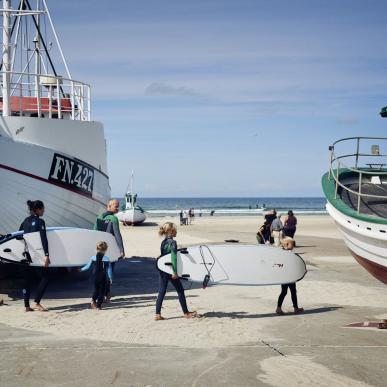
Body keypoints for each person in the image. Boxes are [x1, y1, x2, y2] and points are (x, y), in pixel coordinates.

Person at [155, 222, 198, 321]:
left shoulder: (163, 242)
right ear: (171, 231)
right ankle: (186, 313)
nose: (177, 231)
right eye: (175, 230)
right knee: (180, 290)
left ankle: (157, 314)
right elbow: (173, 258)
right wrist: (175, 272)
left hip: (162, 269)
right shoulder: (173, 242)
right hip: (170, 270)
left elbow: (163, 256)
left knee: (161, 291)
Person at [19, 200, 50, 312]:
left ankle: (26, 306)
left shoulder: (25, 221)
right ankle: (37, 302)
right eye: (43, 208)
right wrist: (46, 255)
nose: (44, 210)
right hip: (37, 255)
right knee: (46, 277)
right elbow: (43, 239)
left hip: (26, 255)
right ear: (38, 209)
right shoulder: (40, 222)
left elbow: (19, 236)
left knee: (27, 280)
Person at [94, 199, 125, 301]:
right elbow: (117, 235)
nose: (117, 208)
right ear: (109, 206)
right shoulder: (113, 218)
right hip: (110, 249)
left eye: (118, 206)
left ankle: (105, 294)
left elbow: (93, 232)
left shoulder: (99, 217)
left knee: (101, 272)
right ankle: (106, 294)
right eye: (115, 206)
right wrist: (121, 249)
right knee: (108, 272)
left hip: (100, 249)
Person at [80, 241, 113, 310]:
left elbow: (87, 266)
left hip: (95, 277)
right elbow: (109, 270)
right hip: (103, 278)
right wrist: (110, 278)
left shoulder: (93, 258)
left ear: (96, 249)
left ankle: (93, 300)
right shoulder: (107, 259)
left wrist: (80, 269)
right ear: (106, 250)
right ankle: (98, 306)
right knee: (102, 291)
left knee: (96, 290)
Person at [276, 237, 304, 315]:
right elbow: (281, 264)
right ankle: (280, 308)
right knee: (287, 292)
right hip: (287, 276)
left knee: (290, 292)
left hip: (289, 275)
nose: (294, 245)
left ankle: (294, 308)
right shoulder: (285, 253)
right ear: (287, 244)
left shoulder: (286, 252)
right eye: (293, 244)